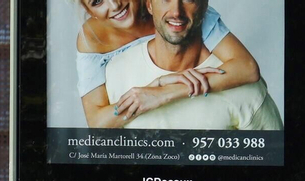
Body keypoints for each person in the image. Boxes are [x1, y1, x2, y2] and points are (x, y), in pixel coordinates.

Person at [73, 0, 262, 128]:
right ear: (88, 10)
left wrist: (167, 92)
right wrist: (152, 89)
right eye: (97, 1)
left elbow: (247, 68)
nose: (115, 5)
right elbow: (97, 122)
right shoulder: (91, 39)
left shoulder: (177, 11)